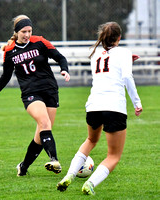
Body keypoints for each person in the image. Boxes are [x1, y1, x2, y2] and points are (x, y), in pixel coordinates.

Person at [0, 15, 70, 176]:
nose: (27, 34)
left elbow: (60, 57)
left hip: (50, 90)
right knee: (44, 122)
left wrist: (64, 69)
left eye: (29, 30)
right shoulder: (10, 51)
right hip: (30, 93)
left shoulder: (40, 41)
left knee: (41, 134)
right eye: (23, 31)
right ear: (16, 32)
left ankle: (23, 166)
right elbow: (6, 76)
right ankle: (54, 160)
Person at [57, 22, 142, 195]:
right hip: (114, 107)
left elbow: (108, 63)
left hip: (94, 105)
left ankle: (69, 175)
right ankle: (90, 183)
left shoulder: (94, 52)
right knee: (113, 156)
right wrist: (137, 102)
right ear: (119, 38)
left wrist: (126, 60)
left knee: (91, 140)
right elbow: (126, 76)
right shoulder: (123, 52)